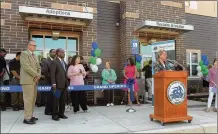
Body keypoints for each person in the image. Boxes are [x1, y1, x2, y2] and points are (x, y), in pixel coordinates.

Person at [20, 40, 41, 124]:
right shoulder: (24, 54)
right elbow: (26, 67)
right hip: (28, 81)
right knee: (28, 99)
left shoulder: (35, 55)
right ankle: (26, 118)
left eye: (35, 45)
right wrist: (36, 75)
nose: (35, 47)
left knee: (33, 99)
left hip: (35, 80)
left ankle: (30, 116)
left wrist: (38, 75)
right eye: (33, 45)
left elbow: (39, 67)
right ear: (28, 45)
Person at [50, 48, 69, 121]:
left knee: (62, 100)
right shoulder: (54, 62)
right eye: (62, 52)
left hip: (64, 85)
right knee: (56, 101)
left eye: (64, 52)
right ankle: (54, 115)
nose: (64, 53)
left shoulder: (63, 62)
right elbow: (52, 74)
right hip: (57, 86)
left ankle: (61, 114)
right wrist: (53, 83)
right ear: (58, 53)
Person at [41, 49, 56, 115]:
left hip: (56, 82)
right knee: (49, 97)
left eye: (55, 52)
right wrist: (53, 77)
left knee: (55, 96)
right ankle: (48, 111)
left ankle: (54, 110)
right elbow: (44, 71)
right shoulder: (45, 61)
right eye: (53, 52)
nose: (54, 53)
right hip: (49, 81)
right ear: (49, 53)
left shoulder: (56, 60)